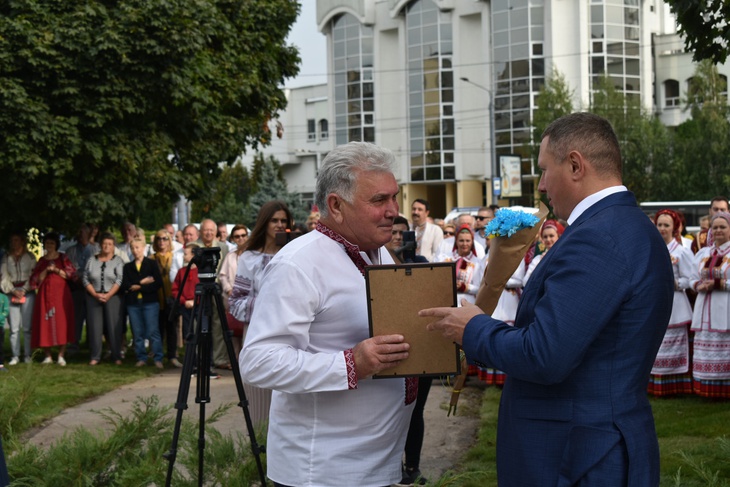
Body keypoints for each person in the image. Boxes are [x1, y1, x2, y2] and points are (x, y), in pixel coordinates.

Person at [421, 113, 674, 486]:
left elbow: (545, 354)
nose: (540, 186)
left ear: (575, 165)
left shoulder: (598, 237)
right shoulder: (622, 226)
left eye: (543, 170)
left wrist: (473, 328)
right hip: (592, 441)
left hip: (578, 455)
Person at [240, 141, 415, 487]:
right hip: (322, 470)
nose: (393, 211)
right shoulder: (298, 263)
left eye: (395, 197)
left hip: (374, 464)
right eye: (379, 200)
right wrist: (351, 364)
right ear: (336, 205)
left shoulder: (377, 252)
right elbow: (258, 360)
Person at [229, 202, 292, 427]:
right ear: (264, 223)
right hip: (258, 335)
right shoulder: (249, 258)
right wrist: (269, 305)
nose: (279, 225)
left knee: (289, 410)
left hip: (291, 337)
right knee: (259, 412)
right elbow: (235, 302)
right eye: (274, 220)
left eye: (283, 221)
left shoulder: (294, 254)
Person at [645, 210, 694, 396]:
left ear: (674, 228)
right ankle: (655, 384)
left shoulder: (681, 252)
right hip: (655, 301)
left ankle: (677, 385)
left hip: (676, 302)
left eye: (666, 225)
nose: (662, 228)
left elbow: (690, 279)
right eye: (659, 225)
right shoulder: (651, 249)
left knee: (674, 344)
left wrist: (675, 284)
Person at [690, 211, 730, 398]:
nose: (718, 230)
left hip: (725, 307)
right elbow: (691, 276)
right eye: (715, 227)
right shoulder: (703, 253)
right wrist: (698, 285)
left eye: (723, 227)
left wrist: (718, 284)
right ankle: (706, 388)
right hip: (704, 307)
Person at [29, 232, 77, 366]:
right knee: (45, 323)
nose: (49, 245)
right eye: (47, 243)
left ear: (56, 245)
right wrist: (46, 270)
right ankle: (48, 356)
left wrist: (55, 270)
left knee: (62, 323)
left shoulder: (63, 258)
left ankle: (61, 355)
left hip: (61, 295)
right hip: (45, 294)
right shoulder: (41, 261)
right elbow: (36, 279)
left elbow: (70, 274)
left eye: (52, 243)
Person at [83, 232, 125, 365]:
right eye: (104, 244)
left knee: (114, 327)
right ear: (100, 245)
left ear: (113, 246)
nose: (107, 246)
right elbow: (85, 278)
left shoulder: (118, 261)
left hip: (112, 297)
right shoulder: (92, 260)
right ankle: (95, 356)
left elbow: (119, 279)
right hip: (94, 297)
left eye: (110, 244)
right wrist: (95, 294)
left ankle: (116, 355)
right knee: (95, 327)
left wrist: (108, 295)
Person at [121, 239, 163, 369]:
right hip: (133, 303)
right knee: (137, 332)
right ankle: (141, 357)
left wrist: (139, 287)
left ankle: (158, 357)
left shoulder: (151, 264)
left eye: (137, 247)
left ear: (143, 248)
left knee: (153, 331)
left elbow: (157, 283)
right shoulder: (128, 267)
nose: (135, 250)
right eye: (133, 248)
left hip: (149, 302)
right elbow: (126, 285)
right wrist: (142, 282)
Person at [1, 232, 37, 365]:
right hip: (11, 292)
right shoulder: (6, 257)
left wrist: (24, 290)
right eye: (12, 240)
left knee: (27, 327)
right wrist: (12, 290)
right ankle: (15, 355)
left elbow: (33, 274)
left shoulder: (30, 256)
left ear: (22, 241)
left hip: (27, 292)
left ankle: (27, 355)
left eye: (16, 240)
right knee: (13, 327)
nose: (14, 243)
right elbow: (3, 275)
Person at [217, 224, 249, 360]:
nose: (240, 239)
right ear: (233, 239)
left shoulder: (254, 254)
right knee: (234, 332)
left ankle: (246, 363)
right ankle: (235, 361)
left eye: (243, 235)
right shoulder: (230, 256)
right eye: (237, 236)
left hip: (249, 299)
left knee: (247, 333)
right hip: (232, 299)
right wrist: (228, 289)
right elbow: (222, 275)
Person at [151, 229, 181, 368]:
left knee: (172, 328)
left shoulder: (174, 257)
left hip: (171, 296)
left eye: (165, 238)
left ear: (169, 241)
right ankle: (157, 355)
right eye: (159, 238)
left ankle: (172, 355)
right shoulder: (152, 258)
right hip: (156, 297)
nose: (161, 241)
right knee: (158, 328)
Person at [435, 224, 484, 306]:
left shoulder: (477, 263)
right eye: (461, 241)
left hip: (466, 303)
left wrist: (463, 287)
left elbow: (479, 288)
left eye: (468, 241)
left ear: (472, 242)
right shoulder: (444, 258)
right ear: (456, 242)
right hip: (446, 300)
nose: (464, 244)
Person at [522, 219, 564, 285]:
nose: (548, 239)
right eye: (545, 237)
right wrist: (540, 266)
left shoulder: (564, 255)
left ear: (558, 236)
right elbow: (525, 282)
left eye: (551, 236)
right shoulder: (538, 259)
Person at [0, 292, 9, 371]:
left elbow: (6, 311)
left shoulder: (3, 297)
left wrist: (0, 317)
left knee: (0, 346)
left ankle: (0, 365)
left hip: (0, 325)